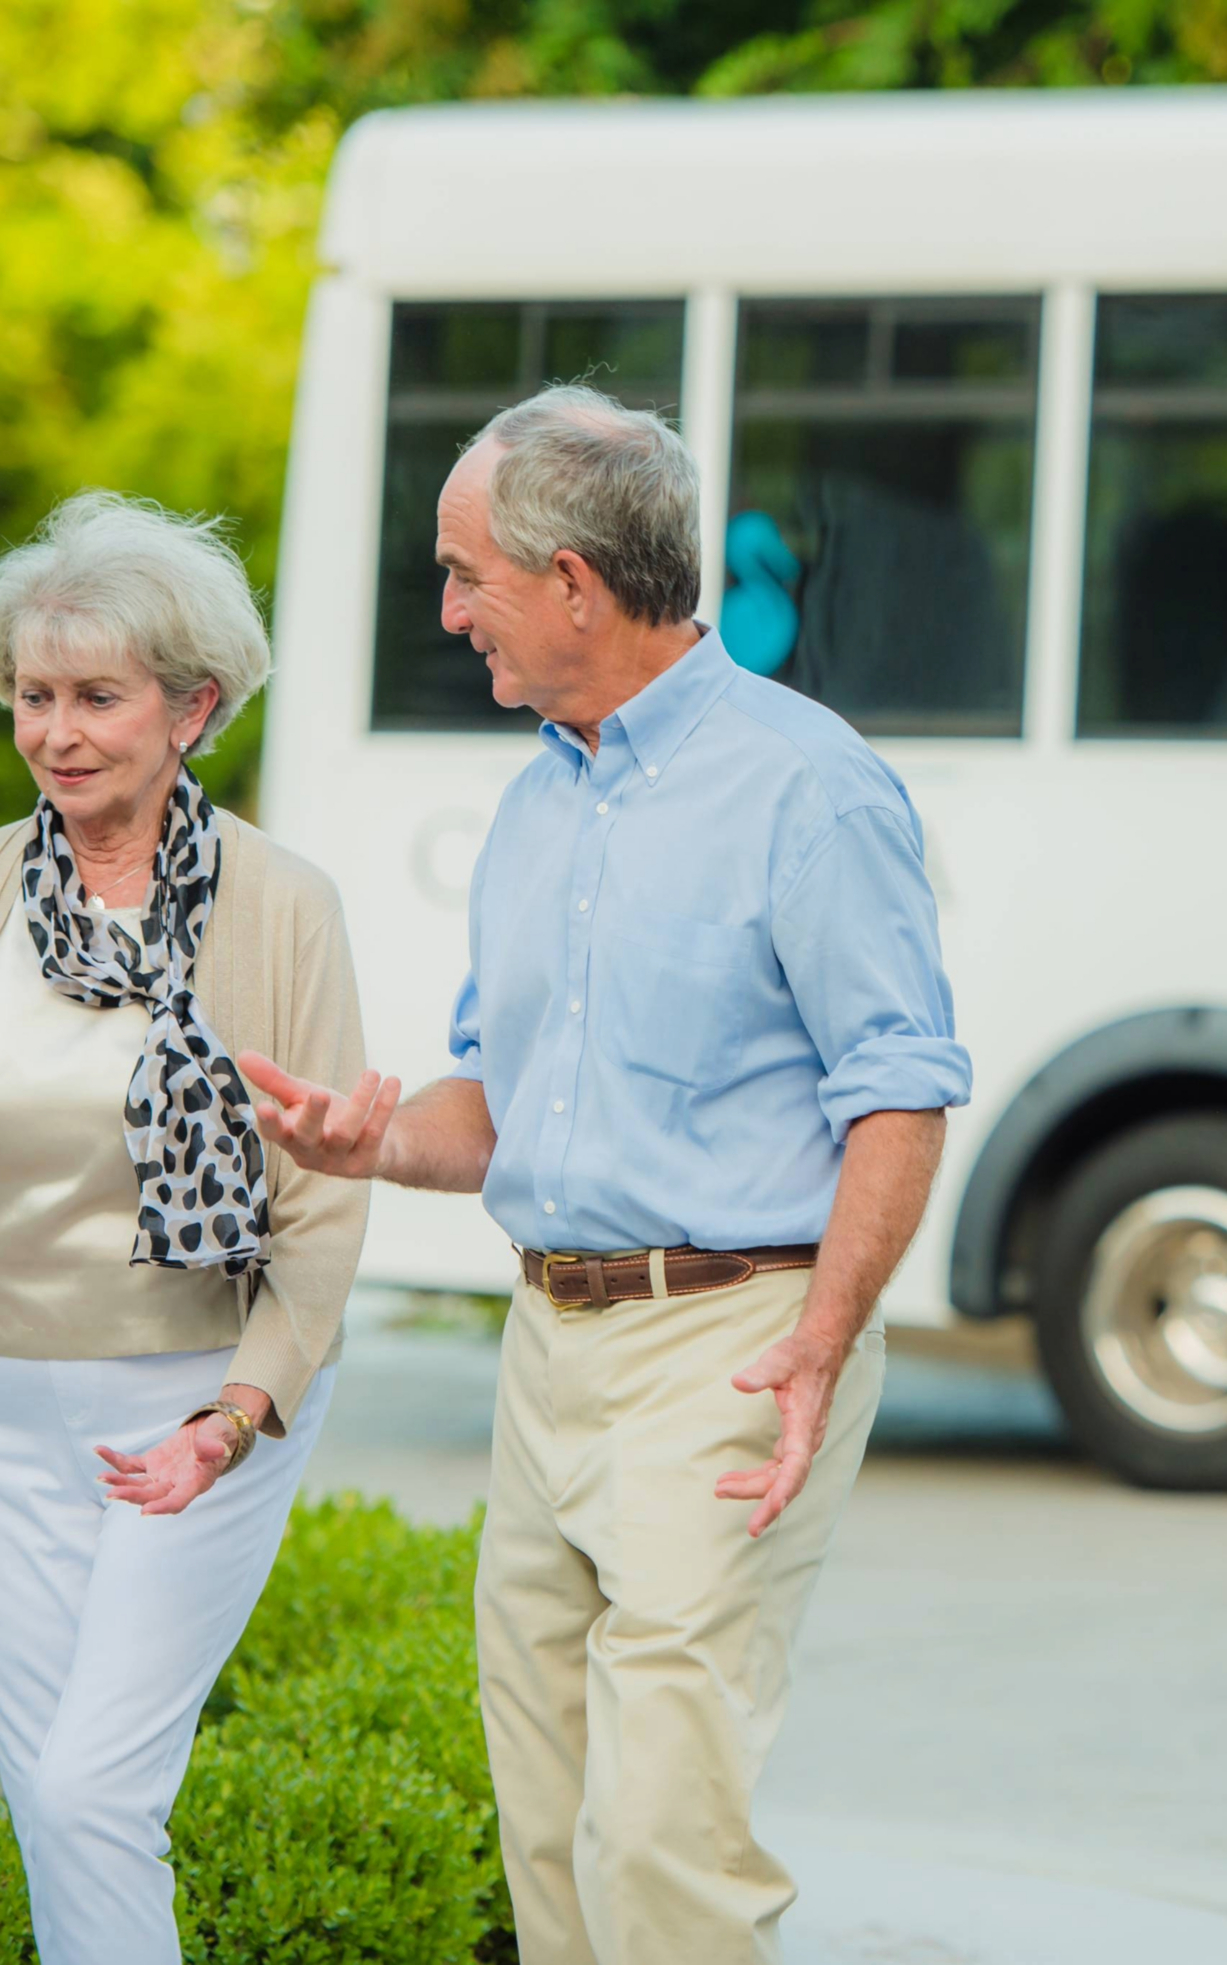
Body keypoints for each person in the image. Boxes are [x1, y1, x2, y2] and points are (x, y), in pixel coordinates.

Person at [241, 384, 971, 1965]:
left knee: (664, 1844)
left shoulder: (810, 787)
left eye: (465, 573)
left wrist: (822, 1343)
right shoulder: (533, 801)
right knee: (553, 1822)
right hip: (546, 1347)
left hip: (733, 1332)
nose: (446, 612)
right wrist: (370, 1136)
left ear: (573, 579)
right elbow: (501, 1110)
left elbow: (902, 1094)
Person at [0, 493, 368, 1965]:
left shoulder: (283, 908)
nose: (56, 732)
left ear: (193, 705)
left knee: (92, 1788)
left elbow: (326, 1204)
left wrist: (230, 1417)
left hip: (203, 1401)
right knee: (46, 1789)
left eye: (98, 696)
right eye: (34, 693)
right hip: (15, 1412)